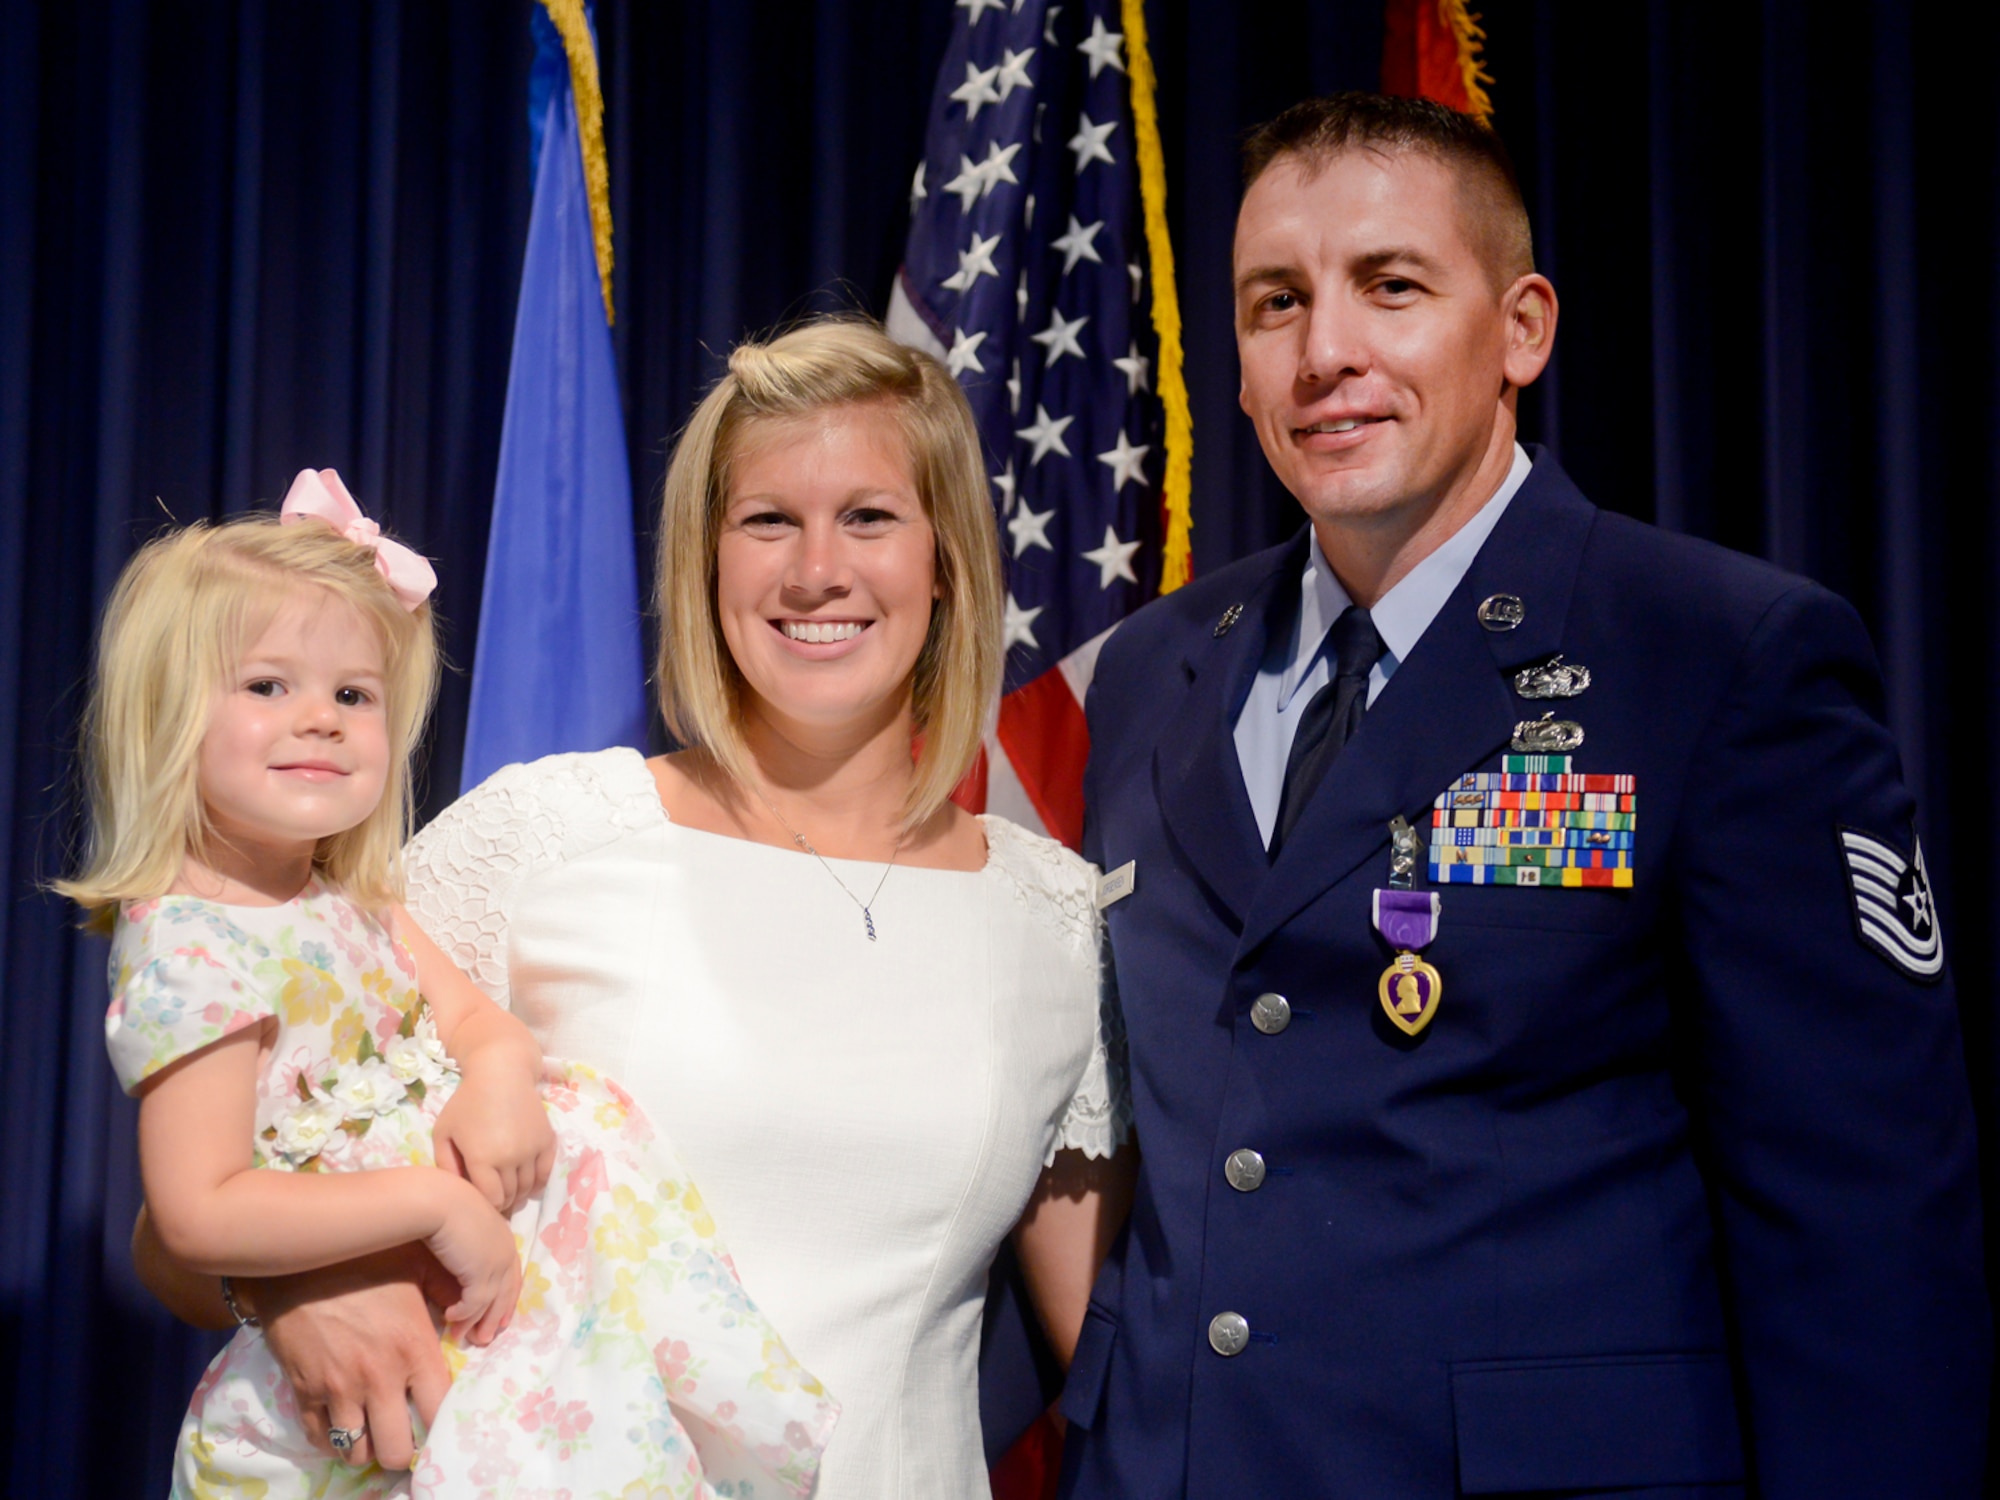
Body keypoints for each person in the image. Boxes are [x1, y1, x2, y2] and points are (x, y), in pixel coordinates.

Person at [1059, 93, 1989, 1499]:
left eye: (1392, 288)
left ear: (1524, 328)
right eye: (1273, 304)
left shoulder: (1714, 656)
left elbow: (1863, 1234)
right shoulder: (1149, 672)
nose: (1327, 355)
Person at [137, 319, 1135, 1499]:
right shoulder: (539, 838)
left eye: (867, 516)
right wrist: (298, 1292)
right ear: (704, 563)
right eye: (768, 520)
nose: (816, 568)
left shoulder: (1056, 921)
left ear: (947, 561)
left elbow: (1120, 1363)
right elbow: (187, 1224)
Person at [69, 472, 836, 1497]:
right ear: (165, 713)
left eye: (352, 694)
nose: (320, 719)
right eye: (267, 686)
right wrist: (434, 1203)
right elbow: (200, 1212)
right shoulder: (191, 950)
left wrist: (502, 1078)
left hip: (482, 1331)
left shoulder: (358, 904)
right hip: (354, 1396)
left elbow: (483, 1025)